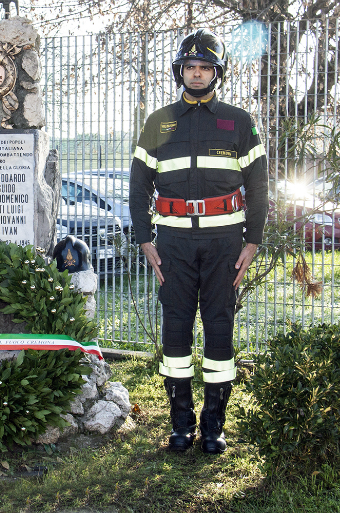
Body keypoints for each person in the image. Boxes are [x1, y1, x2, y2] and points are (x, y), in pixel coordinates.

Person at [129, 28, 268, 454]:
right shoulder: (158, 122)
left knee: (219, 329)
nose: (196, 73)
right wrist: (144, 239)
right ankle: (180, 426)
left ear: (216, 73)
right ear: (180, 71)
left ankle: (213, 428)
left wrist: (253, 241)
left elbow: (259, 186)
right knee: (175, 330)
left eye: (205, 67)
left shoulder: (239, 122)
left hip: (225, 244)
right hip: (173, 244)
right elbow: (138, 186)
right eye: (190, 66)